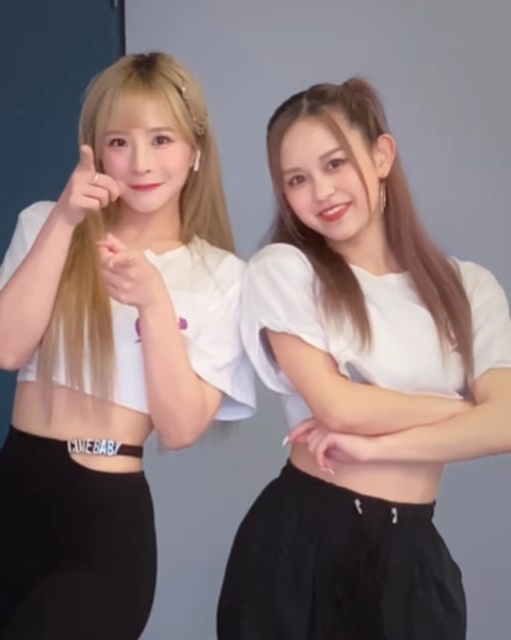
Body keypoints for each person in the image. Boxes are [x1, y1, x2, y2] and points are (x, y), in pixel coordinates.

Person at [0, 52, 255, 640]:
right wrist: (65, 221)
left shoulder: (222, 277)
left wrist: (154, 304)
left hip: (104, 520)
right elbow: (4, 350)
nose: (141, 162)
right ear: (96, 151)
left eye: (162, 139)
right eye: (120, 142)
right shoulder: (44, 223)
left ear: (195, 149)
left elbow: (180, 428)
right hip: (12, 497)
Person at [217, 78, 511, 639]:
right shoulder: (285, 270)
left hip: (414, 554)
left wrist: (379, 445)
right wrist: (466, 410)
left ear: (382, 156)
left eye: (335, 164)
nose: (321, 192)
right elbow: (339, 407)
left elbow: (507, 424)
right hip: (304, 547)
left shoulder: (469, 288)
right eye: (297, 180)